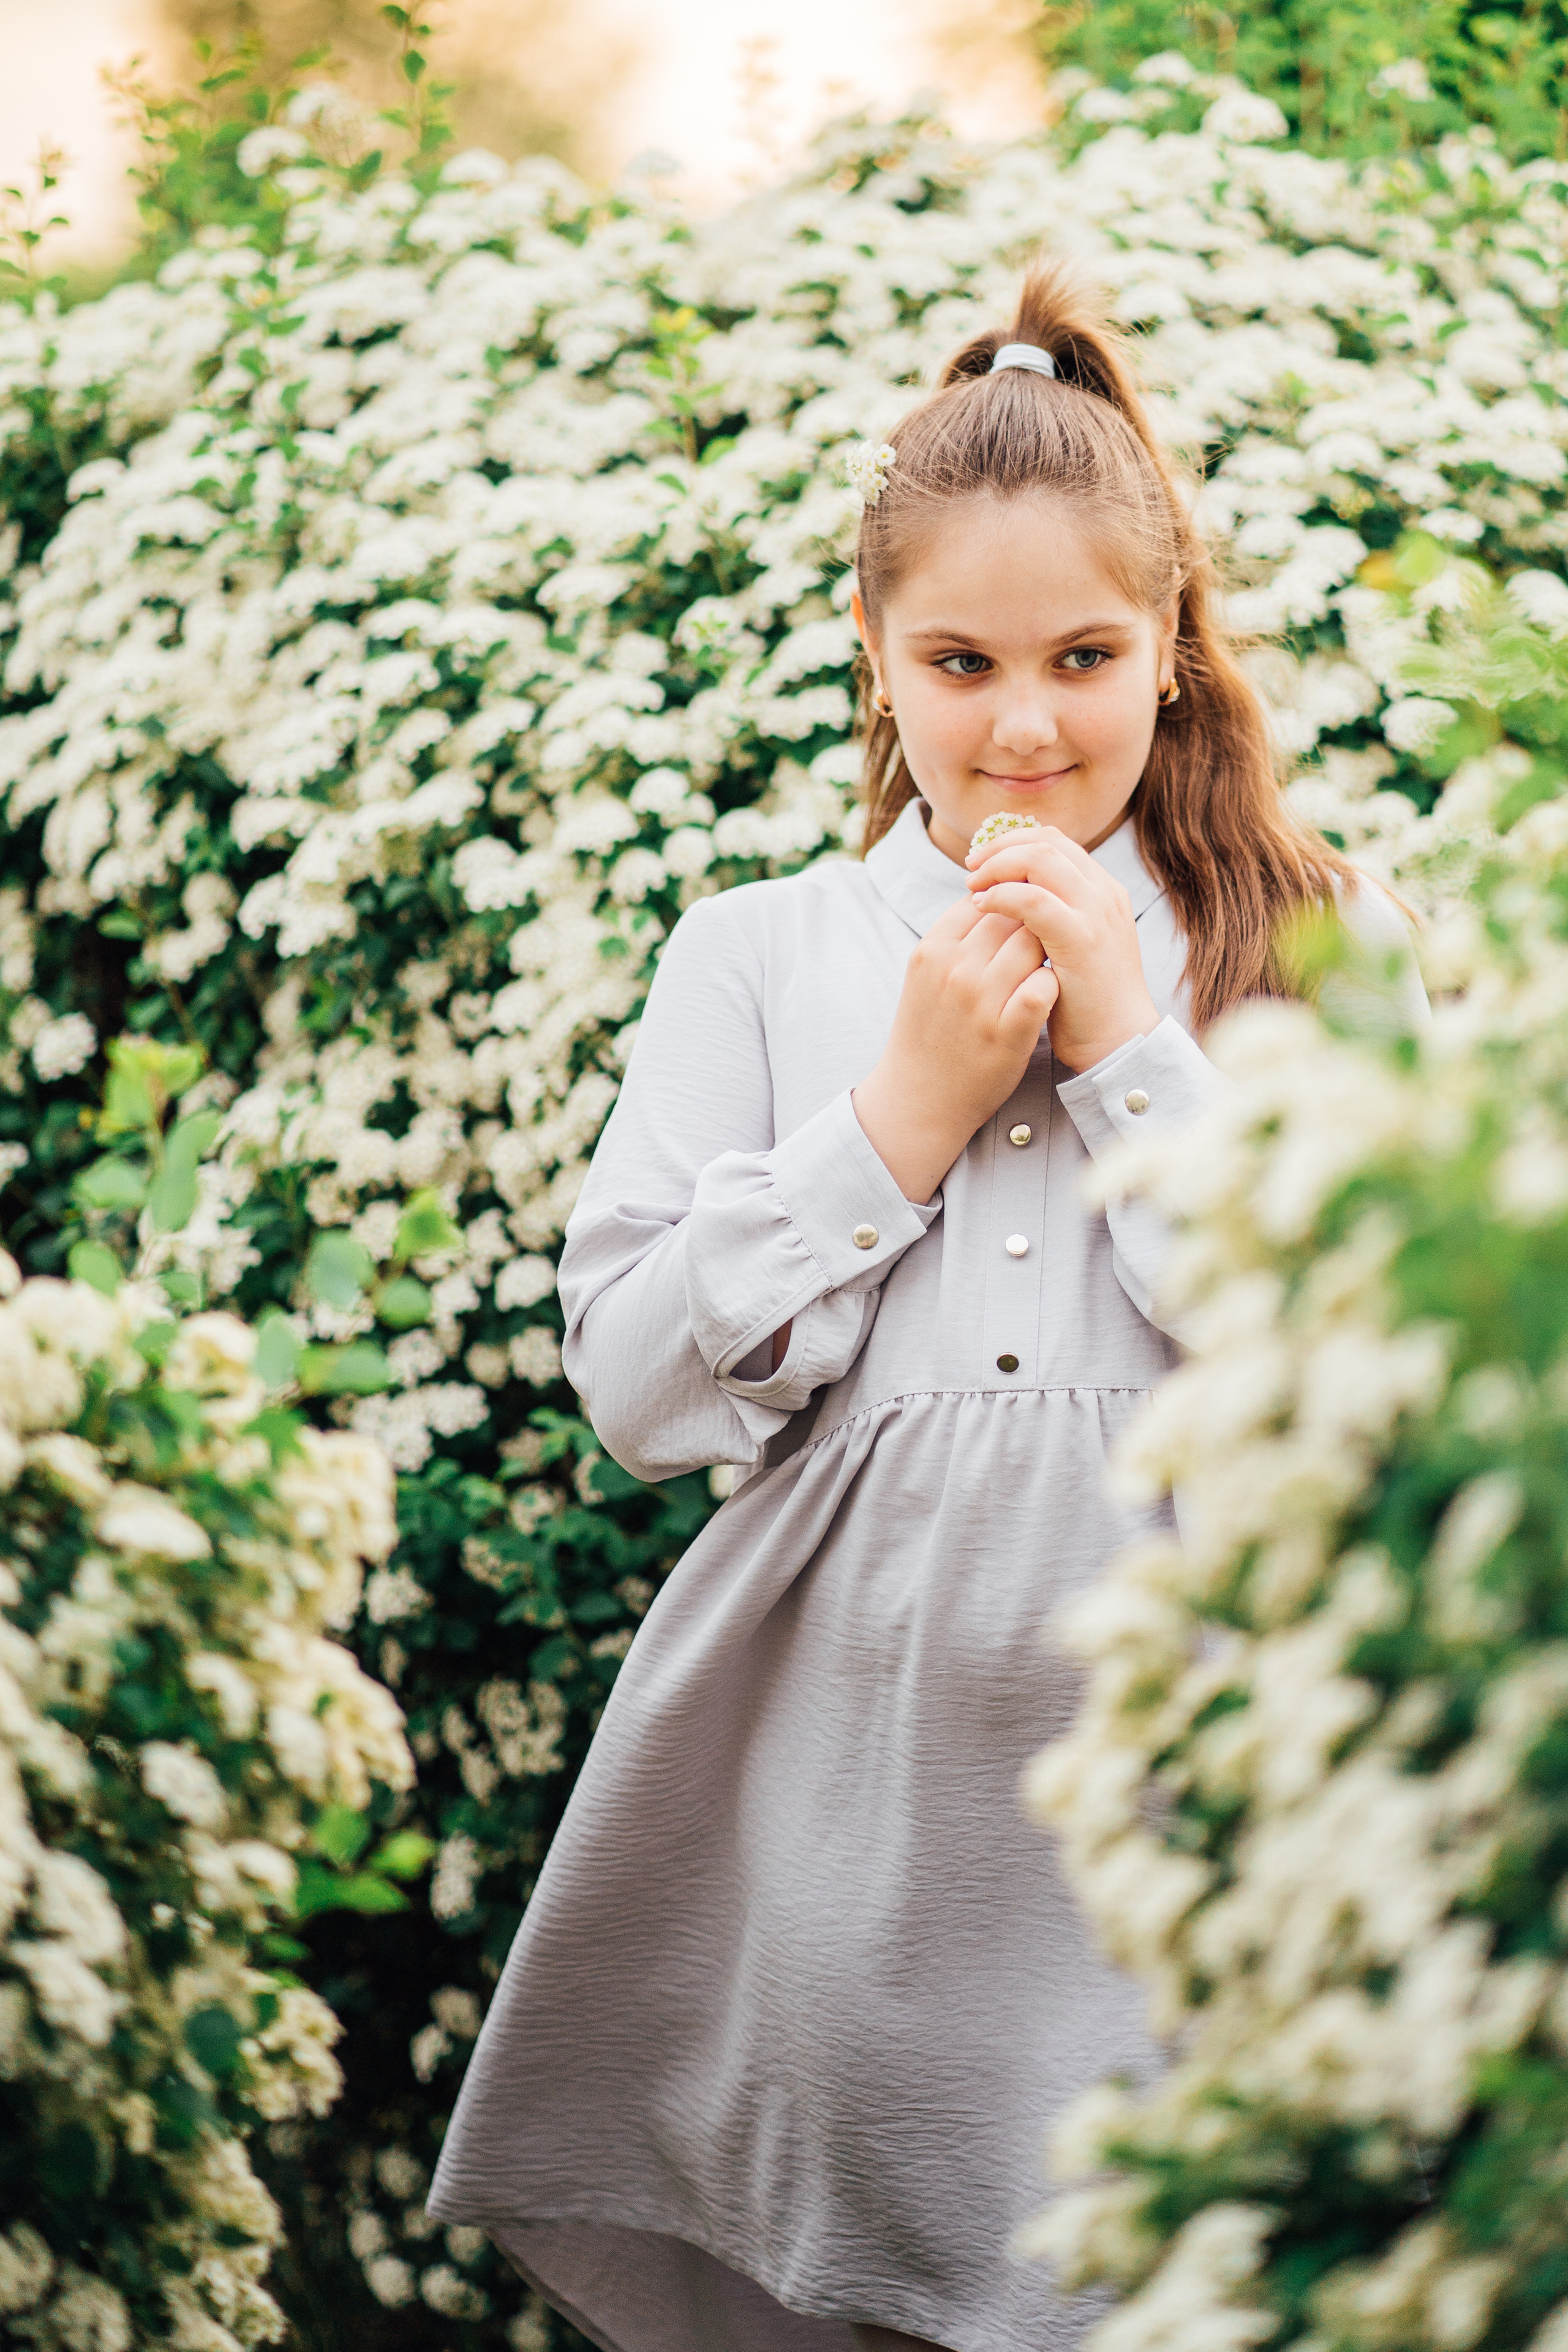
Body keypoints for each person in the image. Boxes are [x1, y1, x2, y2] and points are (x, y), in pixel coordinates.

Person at [427, 266, 1427, 2352]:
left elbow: (1376, 1395)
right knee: (862, 2274)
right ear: (877, 658)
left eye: (1085, 655)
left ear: (1173, 653)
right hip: (845, 1811)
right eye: (960, 662)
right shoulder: (765, 950)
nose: (1027, 726)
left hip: (1196, 1800)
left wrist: (1138, 1053)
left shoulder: (1320, 940)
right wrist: (899, 1117)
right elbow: (632, 1383)